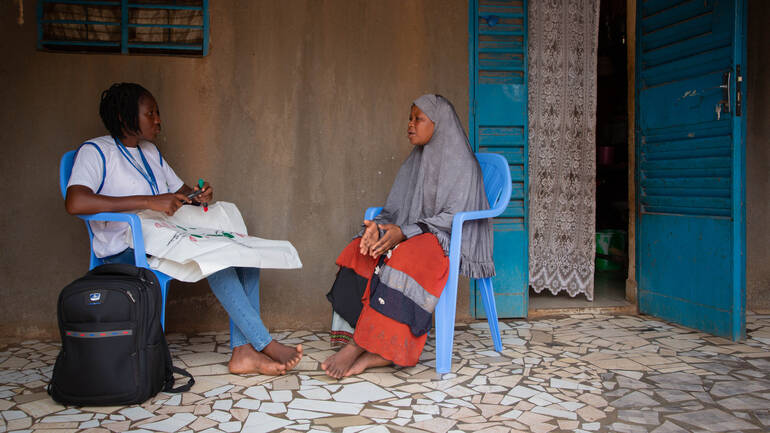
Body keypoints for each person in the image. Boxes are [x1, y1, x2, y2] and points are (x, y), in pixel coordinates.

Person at [65, 83, 302, 376]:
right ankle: (262, 342)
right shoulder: (96, 151)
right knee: (216, 259)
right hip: (127, 247)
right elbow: (76, 202)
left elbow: (181, 193)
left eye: (157, 113)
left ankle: (243, 353)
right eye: (150, 113)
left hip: (164, 236)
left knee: (243, 253)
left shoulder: (150, 152)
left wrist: (199, 195)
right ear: (124, 116)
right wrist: (150, 202)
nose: (158, 120)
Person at [322, 94, 495, 378]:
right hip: (415, 232)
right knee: (360, 250)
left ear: (438, 124)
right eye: (410, 118)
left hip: (444, 239)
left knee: (404, 257)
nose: (410, 124)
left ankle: (366, 347)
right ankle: (365, 341)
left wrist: (404, 232)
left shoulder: (462, 164)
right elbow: (396, 208)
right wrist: (376, 228)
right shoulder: (417, 160)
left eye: (418, 119)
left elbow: (454, 217)